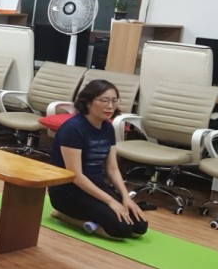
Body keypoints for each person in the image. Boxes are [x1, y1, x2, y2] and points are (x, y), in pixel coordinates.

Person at [48, 79, 148, 240]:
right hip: (68, 192)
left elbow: (112, 169)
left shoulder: (108, 128)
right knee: (121, 230)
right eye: (104, 101)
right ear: (88, 102)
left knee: (140, 227)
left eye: (114, 101)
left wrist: (125, 198)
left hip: (96, 187)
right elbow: (76, 175)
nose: (110, 106)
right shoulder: (73, 129)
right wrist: (110, 201)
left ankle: (99, 216)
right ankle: (63, 215)